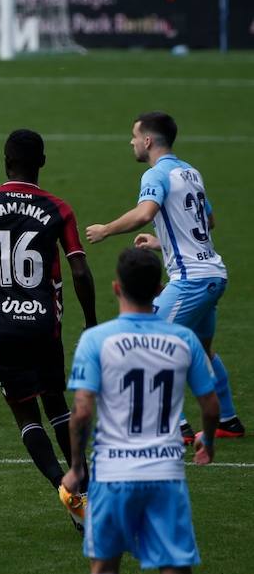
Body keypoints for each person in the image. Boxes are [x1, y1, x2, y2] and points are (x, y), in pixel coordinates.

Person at [0, 129, 97, 530]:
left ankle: (69, 494)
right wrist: (92, 322)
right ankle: (86, 483)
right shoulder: (58, 207)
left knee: (25, 415)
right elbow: (79, 267)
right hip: (45, 325)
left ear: (5, 163)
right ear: (41, 163)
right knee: (57, 406)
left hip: (2, 328)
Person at [84, 112, 242, 440]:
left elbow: (144, 213)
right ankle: (228, 420)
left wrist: (106, 229)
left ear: (148, 141)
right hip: (213, 274)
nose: (131, 142)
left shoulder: (155, 175)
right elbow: (206, 222)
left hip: (190, 281)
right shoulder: (190, 172)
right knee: (203, 348)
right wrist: (162, 243)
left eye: (133, 136)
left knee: (148, 344)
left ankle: (177, 426)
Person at [62, 247, 220, 574]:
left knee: (104, 566)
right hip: (165, 474)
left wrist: (77, 467)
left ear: (117, 288)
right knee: (175, 567)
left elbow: (81, 413)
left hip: (112, 474)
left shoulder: (95, 341)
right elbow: (210, 403)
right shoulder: (184, 339)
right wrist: (210, 439)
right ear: (159, 289)